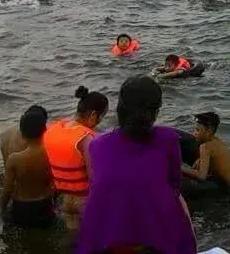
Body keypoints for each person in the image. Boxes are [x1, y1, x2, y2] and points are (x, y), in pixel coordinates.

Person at [76, 76, 196, 254]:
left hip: (105, 238)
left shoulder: (97, 145)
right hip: (156, 240)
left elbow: (98, 188)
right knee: (180, 212)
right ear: (155, 112)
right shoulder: (168, 138)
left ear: (120, 109)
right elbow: (175, 187)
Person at [42, 86, 108, 231]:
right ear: (93, 115)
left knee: (73, 237)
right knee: (93, 236)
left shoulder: (53, 128)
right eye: (101, 117)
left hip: (65, 199)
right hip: (84, 200)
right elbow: (93, 176)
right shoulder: (86, 139)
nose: (99, 122)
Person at [1, 107, 55, 228]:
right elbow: (55, 182)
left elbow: (7, 189)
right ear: (45, 130)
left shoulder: (14, 159)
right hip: (45, 204)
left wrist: (3, 209)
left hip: (21, 206)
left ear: (22, 133)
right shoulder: (51, 154)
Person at [182, 112, 230, 190]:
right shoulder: (218, 141)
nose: (194, 133)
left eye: (197, 130)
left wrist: (181, 167)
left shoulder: (205, 146)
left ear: (209, 131)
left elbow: (202, 177)